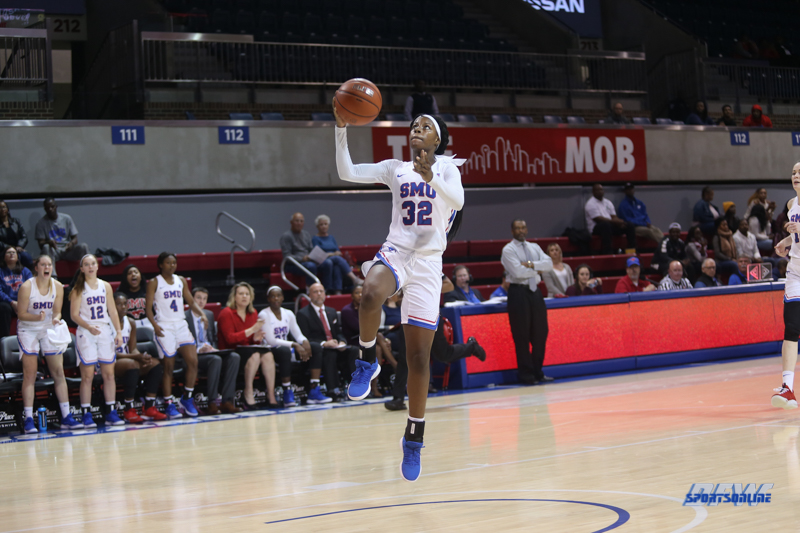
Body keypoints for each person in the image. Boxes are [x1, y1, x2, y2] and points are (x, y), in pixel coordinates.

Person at [333, 102, 464, 482]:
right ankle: (367, 360)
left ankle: (414, 436)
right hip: (397, 251)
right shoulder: (396, 168)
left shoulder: (448, 169)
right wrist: (341, 128)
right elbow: (348, 171)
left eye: (425, 125)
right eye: (413, 124)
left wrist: (432, 177)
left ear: (437, 138)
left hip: (428, 265)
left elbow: (458, 201)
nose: (416, 128)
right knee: (371, 292)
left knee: (419, 358)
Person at [17, 255, 82, 432]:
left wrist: (55, 320)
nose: (47, 267)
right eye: (43, 264)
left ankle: (66, 416)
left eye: (49, 265)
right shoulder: (26, 287)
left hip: (47, 328)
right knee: (30, 374)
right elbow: (21, 313)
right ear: (36, 268)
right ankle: (29, 419)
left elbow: (57, 312)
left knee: (58, 372)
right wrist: (36, 317)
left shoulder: (58, 286)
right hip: (28, 328)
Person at [145, 252, 206, 419]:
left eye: (174, 263)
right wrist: (155, 325)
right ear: (160, 265)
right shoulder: (154, 282)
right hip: (164, 327)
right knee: (169, 367)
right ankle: (168, 403)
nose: (171, 265)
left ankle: (187, 398)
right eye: (168, 263)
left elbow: (191, 301)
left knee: (193, 361)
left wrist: (202, 314)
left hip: (180, 325)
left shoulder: (181, 281)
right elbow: (148, 308)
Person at [69, 254, 125, 428]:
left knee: (109, 374)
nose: (91, 267)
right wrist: (89, 327)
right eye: (87, 264)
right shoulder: (78, 288)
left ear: (97, 266)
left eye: (93, 263)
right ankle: (86, 414)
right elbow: (74, 315)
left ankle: (111, 412)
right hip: (86, 332)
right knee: (87, 376)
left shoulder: (105, 286)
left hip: (104, 331)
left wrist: (118, 332)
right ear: (82, 268)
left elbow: (113, 312)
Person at [501, 218, 553, 386]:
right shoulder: (508, 250)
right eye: (517, 228)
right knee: (521, 336)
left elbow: (549, 264)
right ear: (512, 231)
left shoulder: (535, 247)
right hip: (518, 293)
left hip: (535, 293)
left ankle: (538, 372)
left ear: (527, 229)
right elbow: (517, 271)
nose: (521, 231)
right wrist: (537, 268)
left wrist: (530, 264)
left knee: (541, 334)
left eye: (523, 228)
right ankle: (526, 375)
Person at [260, 286, 331, 406]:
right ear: (268, 299)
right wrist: (294, 344)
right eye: (273, 296)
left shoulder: (288, 313)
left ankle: (314, 389)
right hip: (270, 350)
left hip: (287, 347)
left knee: (315, 347)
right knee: (284, 351)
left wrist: (304, 341)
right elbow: (271, 340)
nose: (276, 298)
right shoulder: (264, 314)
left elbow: (298, 334)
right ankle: (287, 391)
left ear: (283, 297)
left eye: (279, 295)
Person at [297, 282, 360, 403]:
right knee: (330, 354)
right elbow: (304, 337)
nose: (319, 294)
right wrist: (324, 343)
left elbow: (339, 332)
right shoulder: (303, 314)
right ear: (309, 295)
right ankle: (333, 390)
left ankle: (354, 387)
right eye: (315, 292)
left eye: (321, 291)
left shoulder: (331, 311)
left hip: (335, 346)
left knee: (354, 350)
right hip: (319, 350)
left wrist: (341, 341)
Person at [184, 287, 242, 414]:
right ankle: (212, 403)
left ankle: (227, 401)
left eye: (204, 299)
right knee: (215, 360)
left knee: (234, 357)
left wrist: (212, 348)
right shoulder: (184, 317)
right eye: (198, 298)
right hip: (194, 354)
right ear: (191, 299)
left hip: (209, 351)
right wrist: (199, 349)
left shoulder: (209, 315)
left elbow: (213, 338)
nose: (201, 302)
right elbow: (182, 342)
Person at [113, 293, 166, 423]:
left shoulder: (130, 322)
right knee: (132, 364)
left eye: (125, 303)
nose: (123, 307)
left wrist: (142, 356)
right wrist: (135, 357)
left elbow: (133, 349)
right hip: (110, 362)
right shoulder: (107, 323)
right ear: (112, 306)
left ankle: (149, 407)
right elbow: (110, 354)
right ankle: (128, 409)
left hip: (128, 359)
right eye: (119, 304)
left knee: (154, 363)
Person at [216, 282, 270, 409]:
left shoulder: (253, 312)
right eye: (241, 294)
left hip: (246, 350)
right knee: (255, 354)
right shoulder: (226, 313)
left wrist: (256, 338)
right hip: (230, 352)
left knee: (268, 355)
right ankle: (248, 392)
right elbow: (230, 339)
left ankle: (271, 396)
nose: (244, 296)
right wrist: (251, 330)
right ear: (234, 297)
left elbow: (251, 341)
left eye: (247, 294)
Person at [772, 165, 800, 409]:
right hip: (796, 272)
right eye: (793, 172)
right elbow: (796, 235)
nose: (796, 175)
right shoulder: (792, 204)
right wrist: (786, 241)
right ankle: (788, 388)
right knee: (791, 326)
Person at [34, 197, 90, 274]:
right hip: (53, 251)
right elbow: (41, 243)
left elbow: (75, 238)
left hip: (67, 250)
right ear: (45, 209)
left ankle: (88, 274)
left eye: (52, 207)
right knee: (46, 247)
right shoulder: (41, 223)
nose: (50, 209)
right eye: (48, 208)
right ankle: (53, 277)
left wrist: (71, 243)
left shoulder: (66, 218)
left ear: (56, 206)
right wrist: (49, 242)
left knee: (83, 246)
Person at [280, 212, 334, 291]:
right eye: (297, 221)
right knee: (311, 266)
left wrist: (316, 256)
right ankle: (311, 290)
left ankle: (327, 290)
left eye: (301, 221)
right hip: (294, 264)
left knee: (328, 263)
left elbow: (311, 250)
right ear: (291, 222)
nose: (299, 223)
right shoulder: (286, 236)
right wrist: (302, 258)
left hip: (309, 261)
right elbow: (287, 257)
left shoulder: (306, 234)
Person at [312, 214, 363, 294]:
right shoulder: (315, 238)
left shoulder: (331, 237)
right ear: (317, 226)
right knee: (335, 259)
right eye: (321, 224)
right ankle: (354, 279)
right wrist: (331, 254)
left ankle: (337, 291)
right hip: (322, 262)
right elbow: (318, 253)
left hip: (334, 261)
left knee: (337, 266)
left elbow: (337, 251)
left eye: (325, 224)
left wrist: (335, 253)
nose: (323, 226)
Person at [585, 183, 636, 255]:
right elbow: (598, 219)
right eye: (597, 190)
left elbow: (613, 216)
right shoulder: (590, 203)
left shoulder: (607, 202)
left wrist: (619, 223)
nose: (600, 191)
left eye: (601, 190)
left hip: (610, 225)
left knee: (629, 225)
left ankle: (631, 250)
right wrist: (615, 222)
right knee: (605, 225)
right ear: (593, 192)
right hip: (596, 228)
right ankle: (608, 252)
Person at [0, 247, 32, 338]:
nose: (11, 254)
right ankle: (4, 340)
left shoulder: (25, 271)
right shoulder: (1, 271)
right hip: (7, 303)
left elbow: (31, 288)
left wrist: (22, 303)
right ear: (4, 257)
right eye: (8, 252)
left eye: (14, 252)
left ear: (18, 257)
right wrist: (12, 302)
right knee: (3, 308)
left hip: (23, 303)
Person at [0, 200, 32, 268]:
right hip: (3, 251)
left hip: (18, 249)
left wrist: (19, 246)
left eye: (4, 207)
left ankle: (30, 276)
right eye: (0, 208)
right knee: (16, 257)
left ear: (7, 209)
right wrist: (11, 249)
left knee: (27, 257)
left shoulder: (16, 222)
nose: (2, 209)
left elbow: (24, 237)